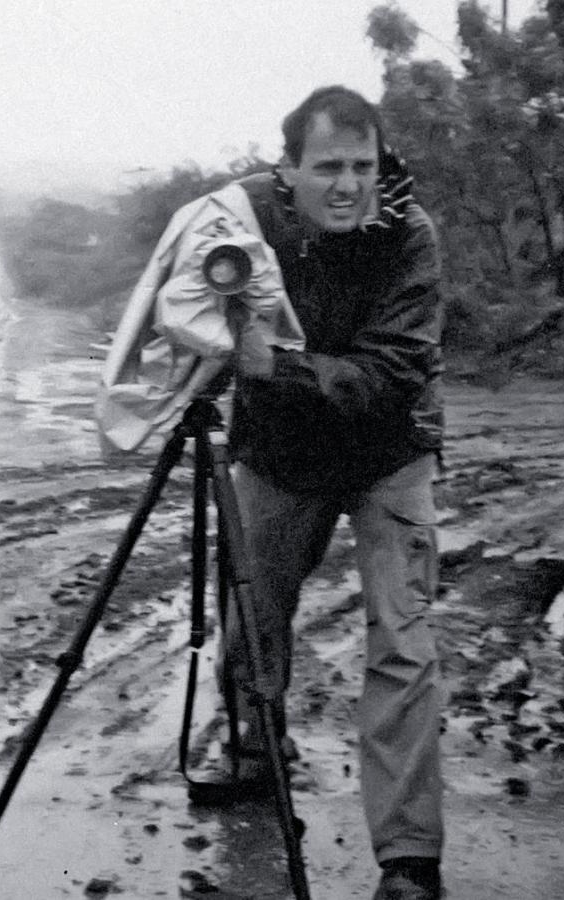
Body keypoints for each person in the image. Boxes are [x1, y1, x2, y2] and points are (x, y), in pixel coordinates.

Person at [215, 85, 446, 900]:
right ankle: (253, 745)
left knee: (404, 640)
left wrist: (273, 366)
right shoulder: (242, 218)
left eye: (362, 166)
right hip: (281, 450)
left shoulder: (411, 235)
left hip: (388, 447)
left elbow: (391, 372)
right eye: (327, 168)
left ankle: (409, 857)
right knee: (252, 613)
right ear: (288, 170)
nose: (348, 185)